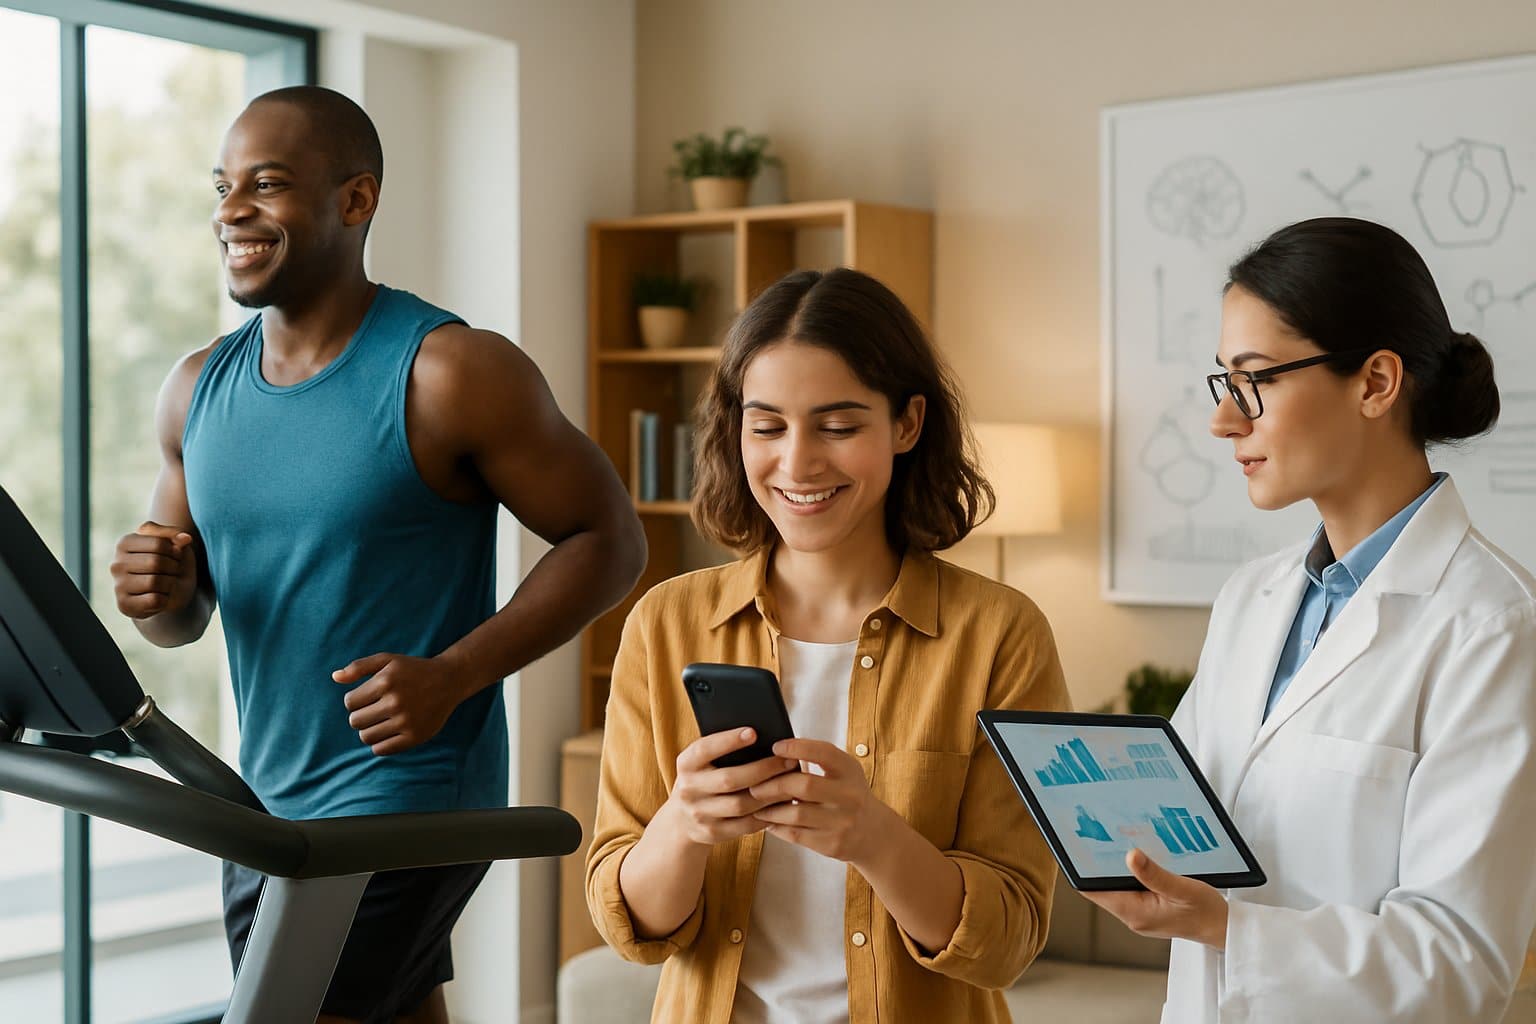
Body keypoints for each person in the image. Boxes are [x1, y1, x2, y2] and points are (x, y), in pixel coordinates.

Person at [108, 86, 646, 1024]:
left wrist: (454, 675)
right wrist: (159, 593)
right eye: (224, 186)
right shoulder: (194, 391)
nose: (232, 210)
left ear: (355, 200)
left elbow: (611, 541)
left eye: (267, 184)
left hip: (407, 798)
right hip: (266, 800)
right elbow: (179, 624)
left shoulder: (450, 370)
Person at [585, 267, 1070, 1023]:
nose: (798, 462)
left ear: (907, 424)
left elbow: (1007, 940)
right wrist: (684, 826)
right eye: (767, 427)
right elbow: (630, 928)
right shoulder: (664, 622)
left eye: (838, 427)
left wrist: (873, 837)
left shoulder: (1000, 635)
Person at [1084, 217, 1536, 1023]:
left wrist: (1228, 929)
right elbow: (1183, 821)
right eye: (1224, 382)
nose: (1225, 421)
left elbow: (1459, 967)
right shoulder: (1249, 599)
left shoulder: (1495, 627)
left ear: (1375, 383)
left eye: (1255, 380)